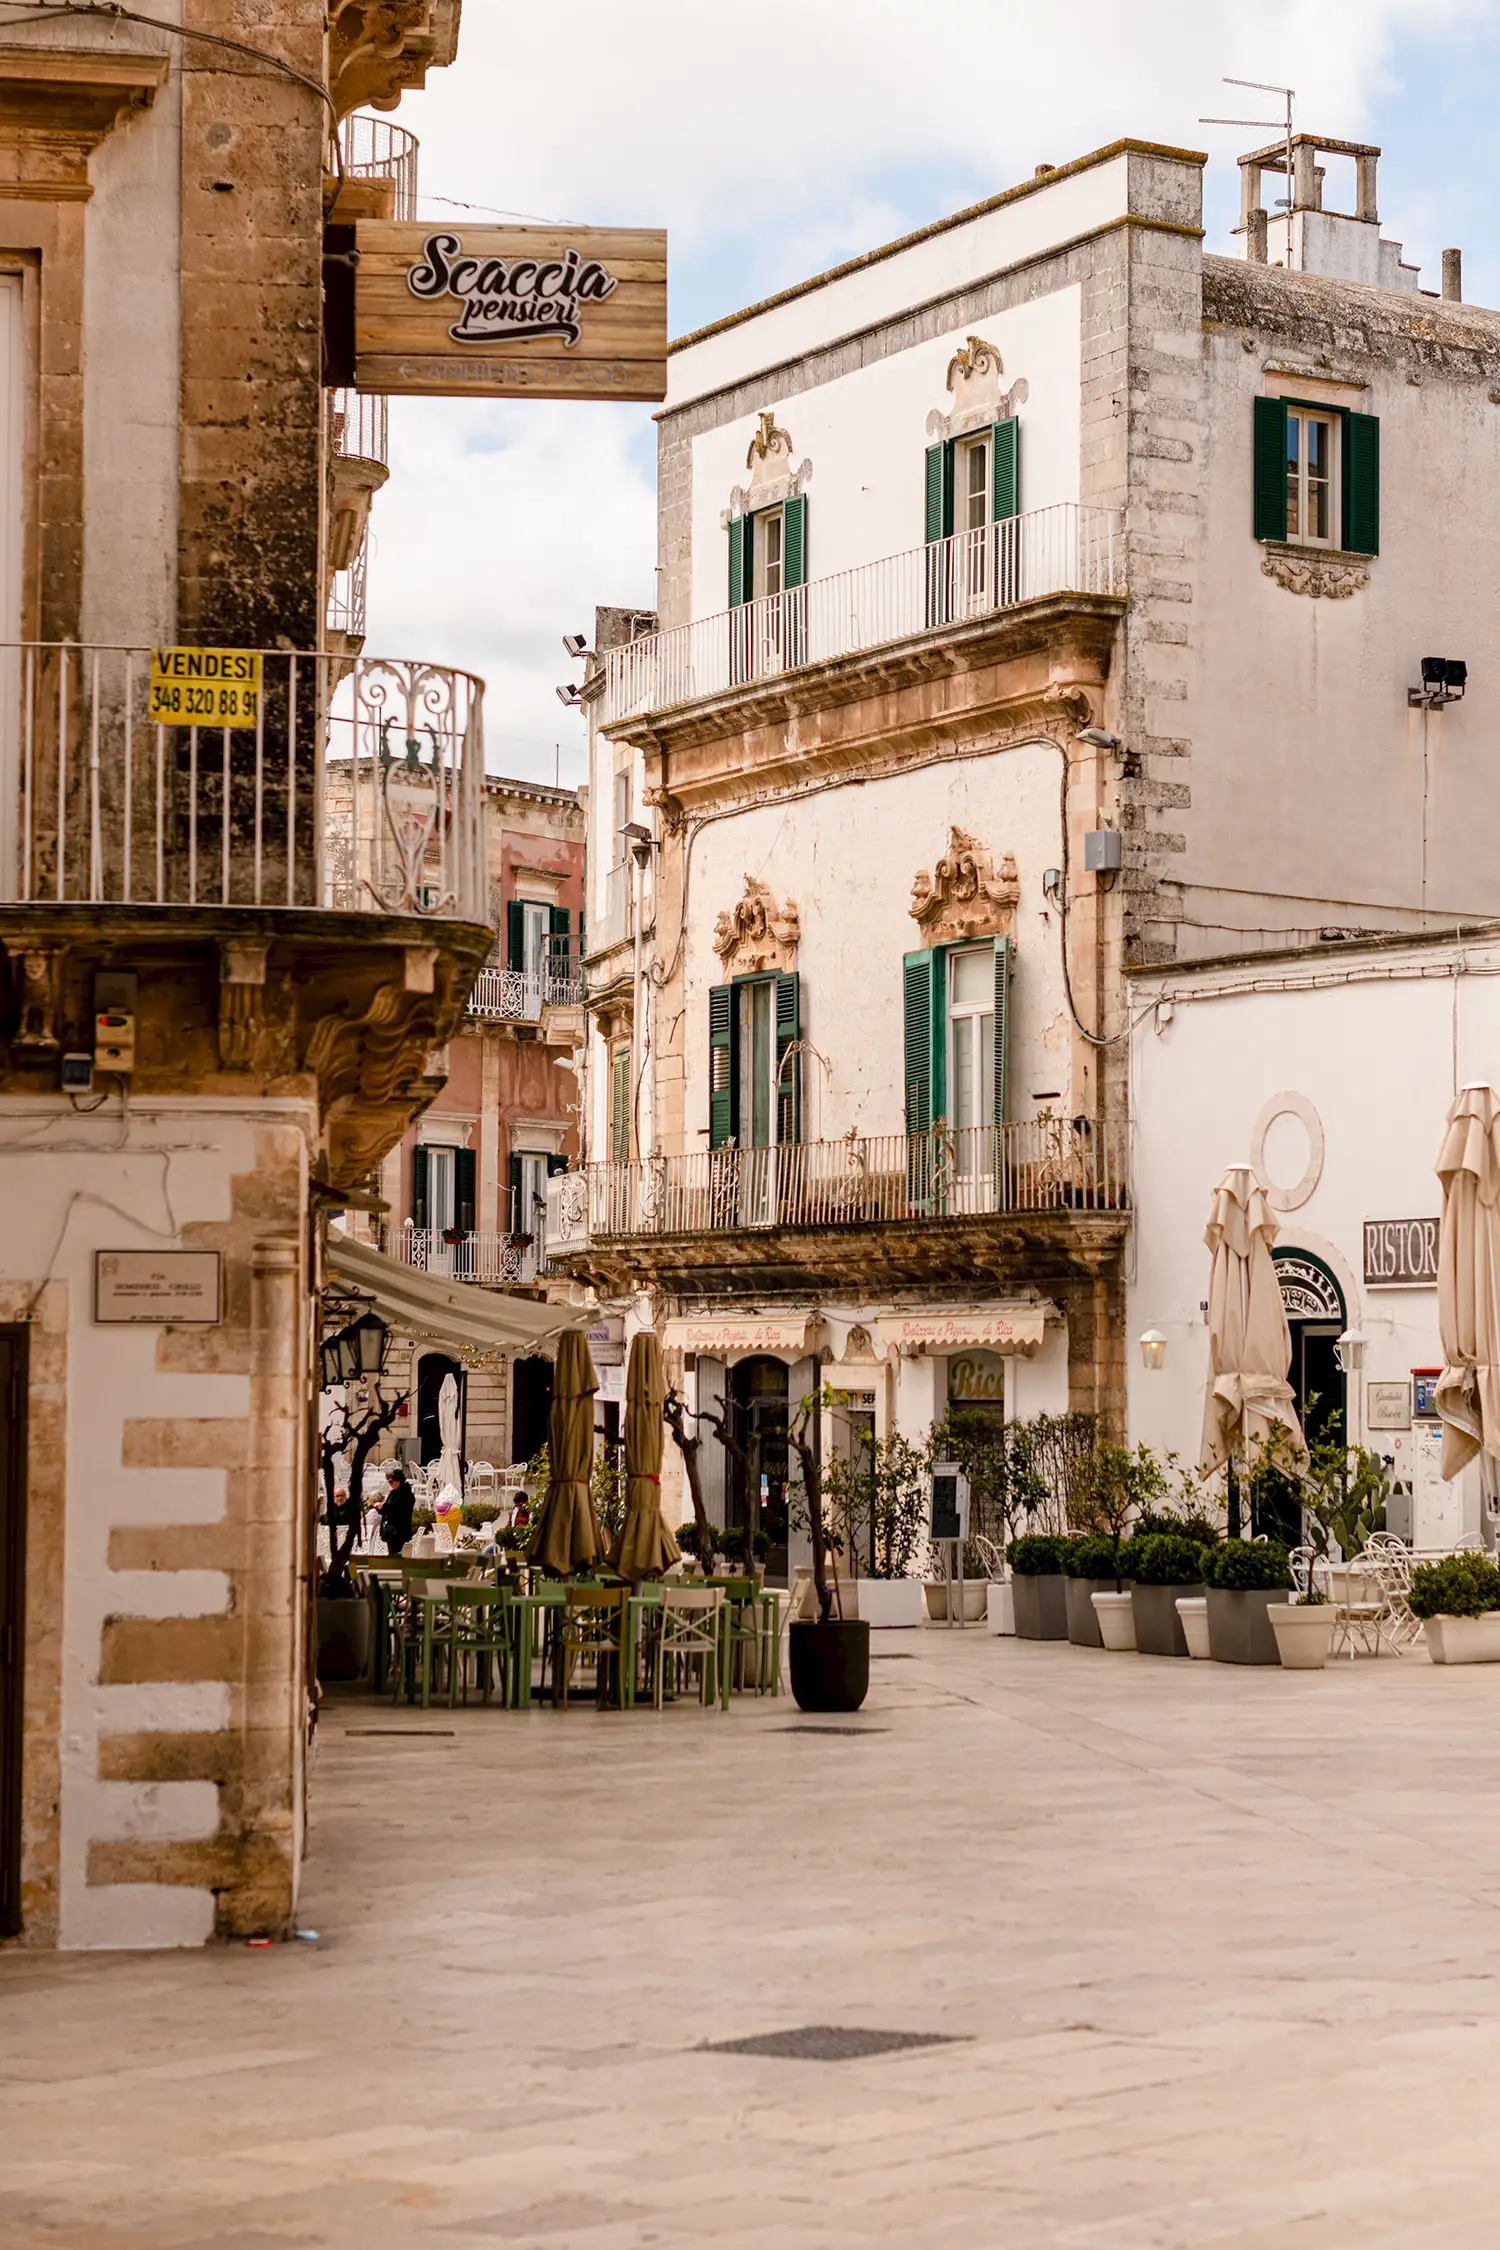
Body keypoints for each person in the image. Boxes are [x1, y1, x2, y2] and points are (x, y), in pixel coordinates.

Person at [379, 1463, 417, 1555]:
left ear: (399, 1481)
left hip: (399, 1530)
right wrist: (380, 1507)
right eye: (389, 1482)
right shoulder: (394, 1493)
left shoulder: (406, 1495)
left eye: (393, 1482)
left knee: (395, 1554)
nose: (391, 1484)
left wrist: (385, 1507)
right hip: (391, 1530)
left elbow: (400, 1511)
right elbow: (388, 1509)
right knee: (392, 1553)